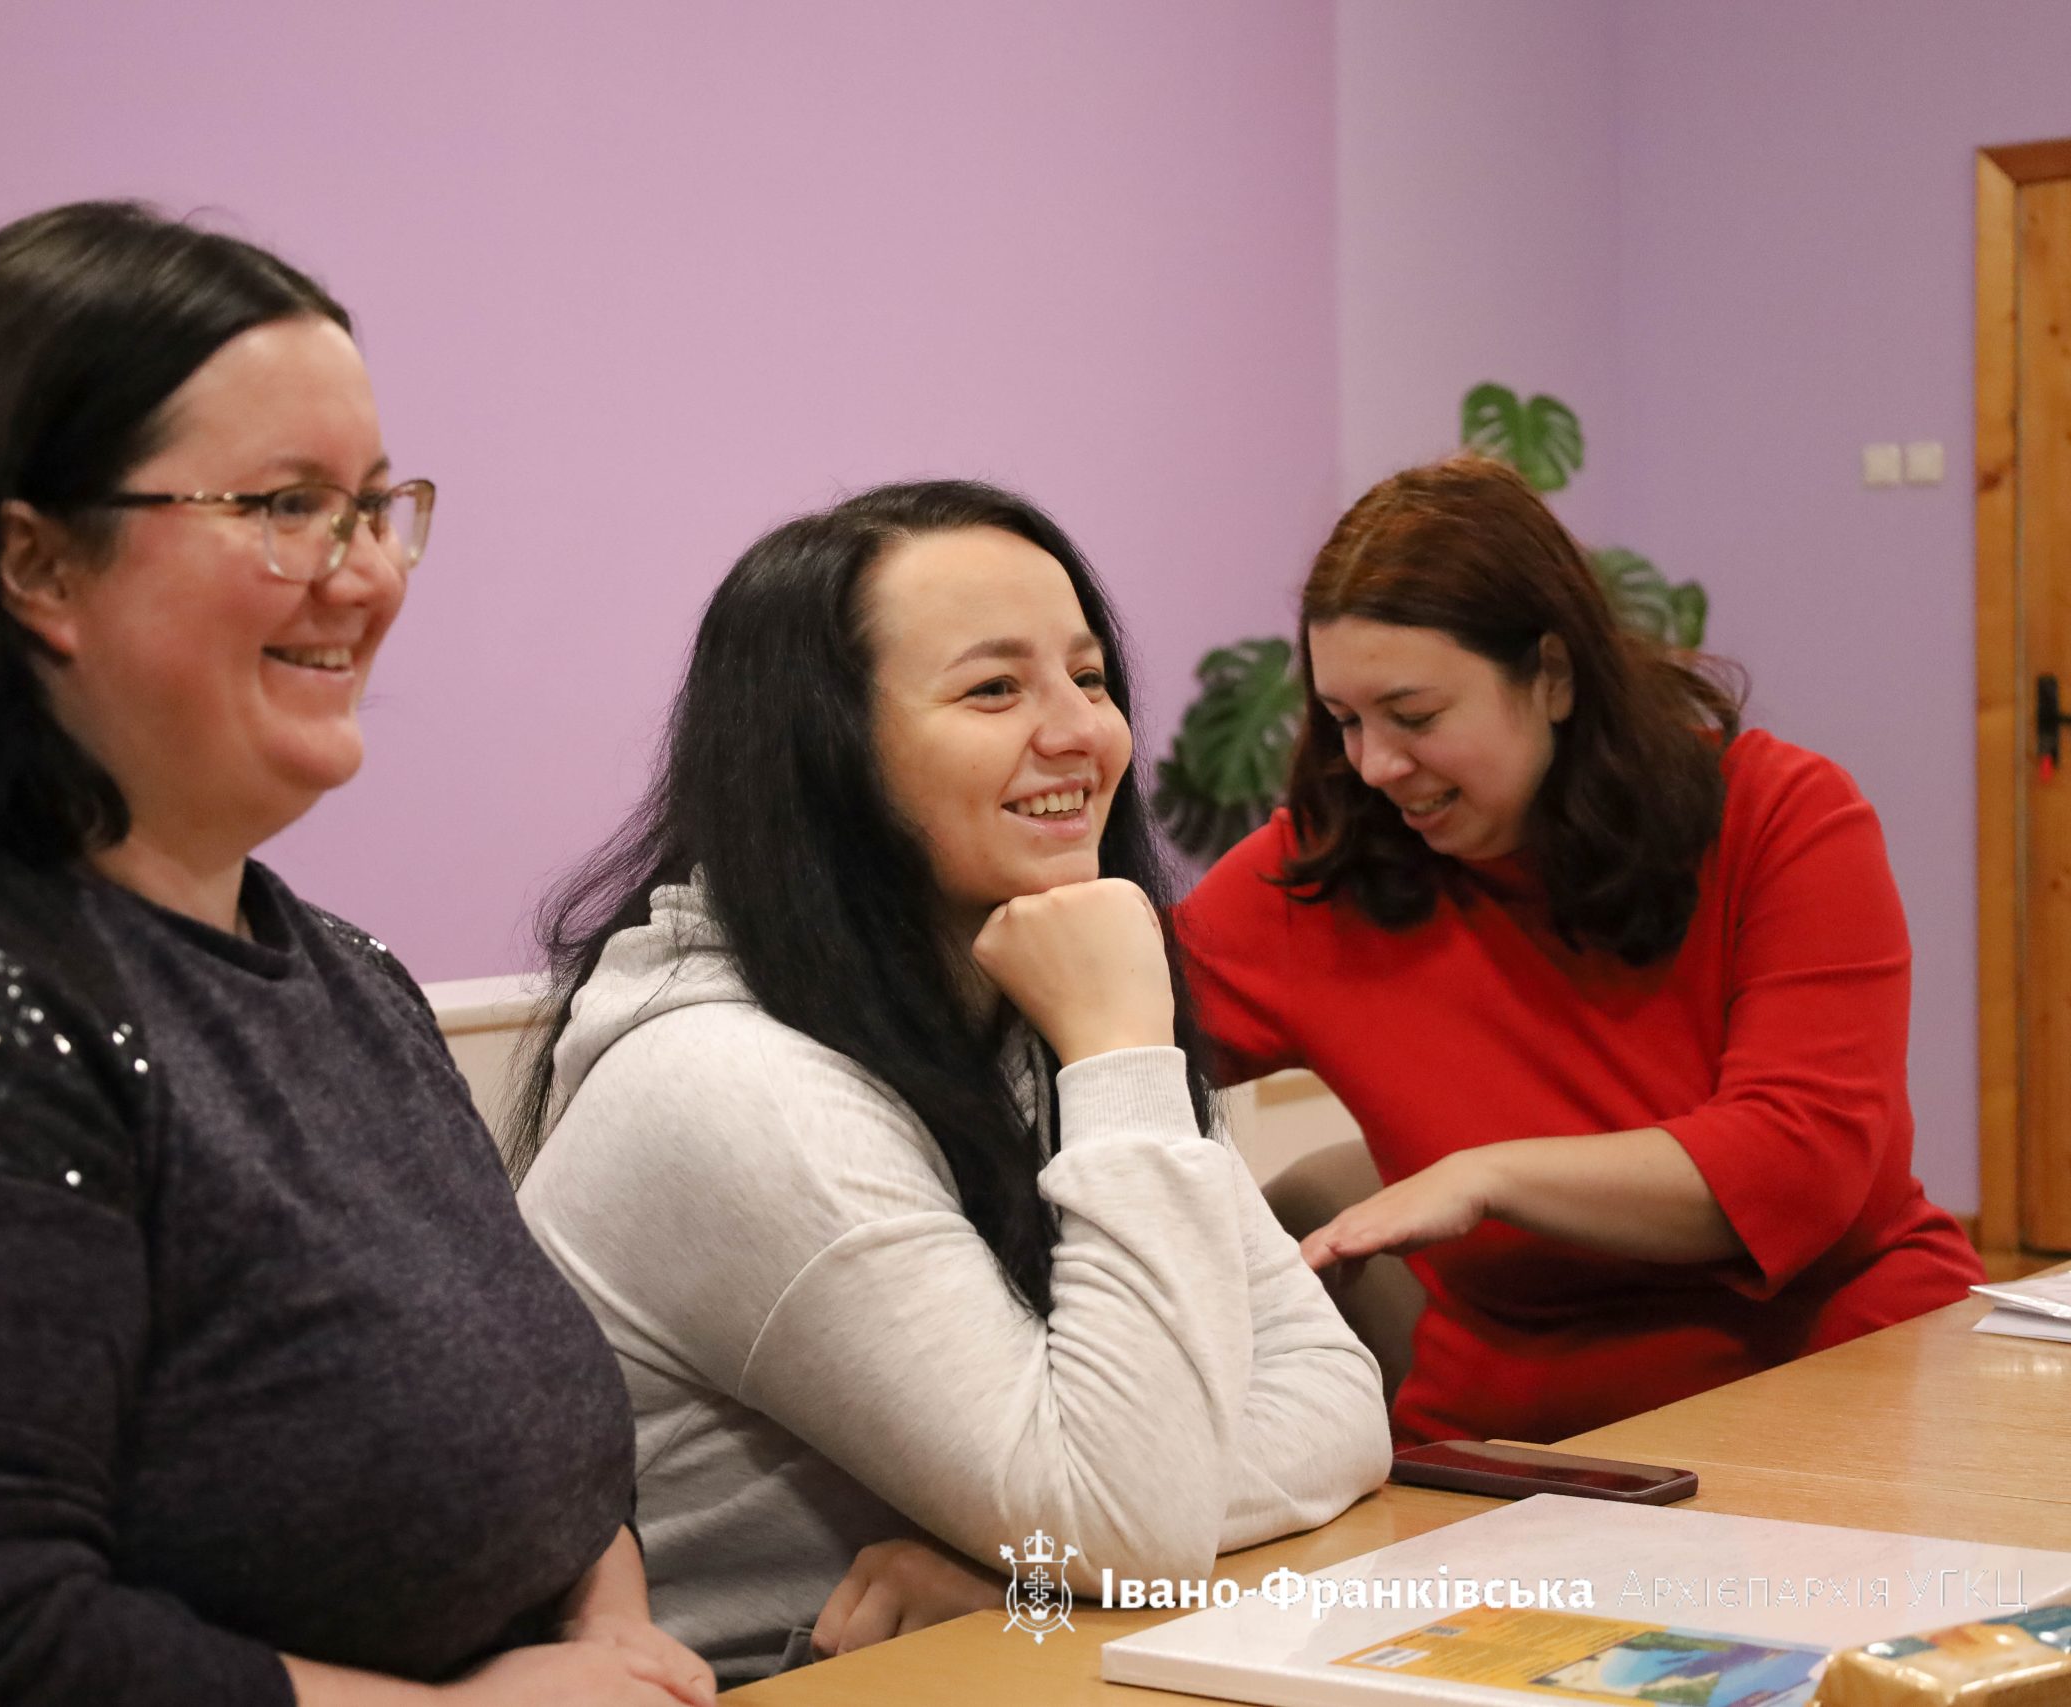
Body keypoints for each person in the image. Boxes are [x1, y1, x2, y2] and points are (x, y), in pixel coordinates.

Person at [0, 201, 713, 1707]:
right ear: (40, 565)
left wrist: (605, 1623)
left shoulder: (342, 975)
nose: (367, 573)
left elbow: (541, 1440)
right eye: (286, 505)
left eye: (374, 506)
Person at [513, 481, 1391, 1686]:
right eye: (993, 689)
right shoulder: (732, 1086)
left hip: (993, 1659)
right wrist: (1089, 1536)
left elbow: (1335, 1398)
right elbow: (1127, 1519)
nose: (1082, 732)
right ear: (823, 752)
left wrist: (1055, 1553)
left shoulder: (1011, 987)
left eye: (1087, 677)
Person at [1174, 454, 1985, 1450]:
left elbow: (1796, 1166)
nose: (1375, 765)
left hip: (1843, 1374)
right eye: (1345, 722)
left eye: (1415, 717)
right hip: (1526, 1438)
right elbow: (1092, 1031)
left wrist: (1488, 1179)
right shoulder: (1321, 873)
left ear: (1552, 676)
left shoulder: (1783, 816)